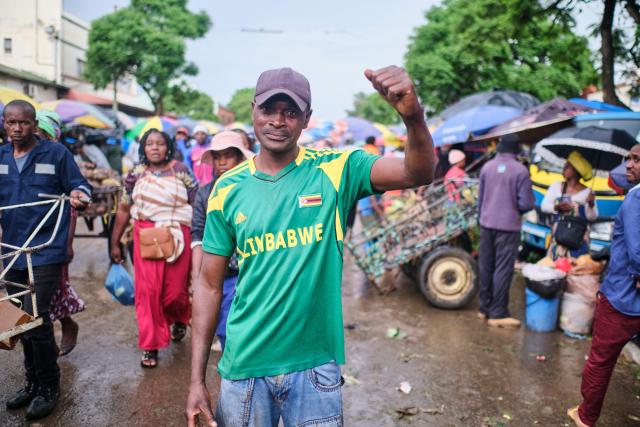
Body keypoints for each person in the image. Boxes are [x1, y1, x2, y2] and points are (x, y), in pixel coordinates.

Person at [186, 65, 435, 426]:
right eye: (269, 110)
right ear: (253, 111)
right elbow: (208, 285)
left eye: (291, 112)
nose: (278, 121)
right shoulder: (226, 190)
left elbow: (418, 173)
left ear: (307, 119)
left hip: (315, 368)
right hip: (243, 369)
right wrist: (196, 380)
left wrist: (412, 116)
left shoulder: (337, 169)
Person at [1, 100, 91, 419]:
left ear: (33, 122)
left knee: (36, 319)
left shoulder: (56, 154)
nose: (16, 129)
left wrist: (81, 196)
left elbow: (80, 185)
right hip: (10, 252)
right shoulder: (0, 157)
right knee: (20, 321)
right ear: (4, 123)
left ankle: (49, 387)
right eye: (10, 123)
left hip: (44, 251)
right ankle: (32, 383)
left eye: (22, 123)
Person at [110, 129, 198, 368]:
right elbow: (124, 208)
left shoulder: (181, 170)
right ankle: (150, 346)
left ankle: (180, 316)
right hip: (145, 236)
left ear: (168, 146)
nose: (155, 148)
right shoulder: (136, 173)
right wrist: (115, 242)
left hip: (178, 235)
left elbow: (196, 202)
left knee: (176, 293)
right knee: (148, 293)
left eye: (160, 143)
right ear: (143, 149)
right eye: (150, 144)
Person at [567, 144, 640, 427]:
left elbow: (636, 253)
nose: (629, 165)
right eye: (628, 159)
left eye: (636, 160)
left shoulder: (635, 199)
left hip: (622, 297)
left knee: (600, 360)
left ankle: (586, 417)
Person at [190, 131, 254, 351]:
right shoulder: (205, 194)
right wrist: (195, 276)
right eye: (217, 157)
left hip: (248, 272)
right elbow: (198, 235)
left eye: (228, 156)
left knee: (242, 330)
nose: (222, 162)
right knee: (221, 326)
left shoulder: (254, 189)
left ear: (240, 158)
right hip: (217, 274)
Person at [35, 110, 85, 356]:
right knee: (32, 293)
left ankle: (65, 325)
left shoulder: (59, 156)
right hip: (27, 234)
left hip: (54, 235)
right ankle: (44, 345)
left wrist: (68, 244)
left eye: (39, 132)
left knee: (54, 288)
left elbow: (71, 205)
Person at [477, 134, 535, 328]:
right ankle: (498, 312)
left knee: (486, 265)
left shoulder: (487, 167)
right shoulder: (520, 171)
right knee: (503, 268)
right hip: (508, 227)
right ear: (517, 150)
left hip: (486, 223)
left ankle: (483, 309)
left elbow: (481, 199)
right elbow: (526, 203)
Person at [541, 151, 597, 260]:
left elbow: (592, 217)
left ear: (576, 171)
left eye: (568, 166)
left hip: (578, 240)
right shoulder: (556, 186)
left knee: (574, 269)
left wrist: (591, 204)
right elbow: (544, 206)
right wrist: (556, 207)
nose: (564, 168)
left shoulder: (588, 193)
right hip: (558, 238)